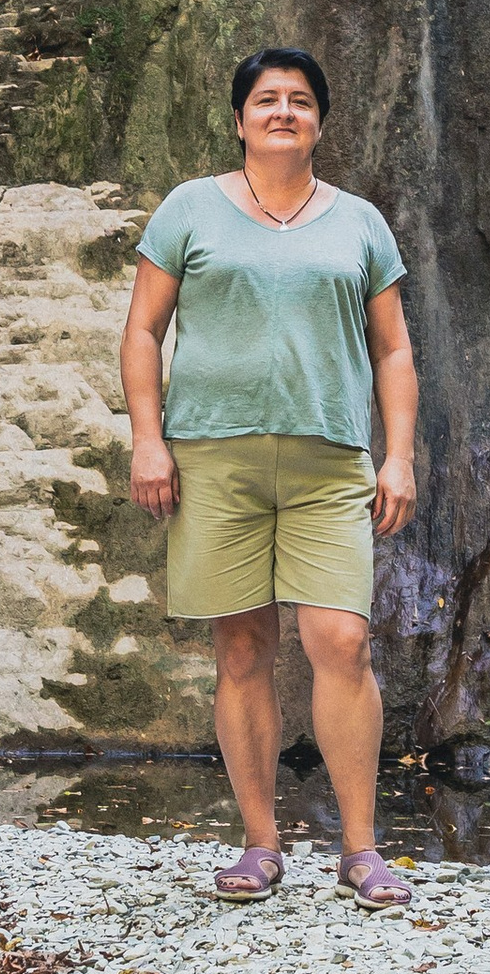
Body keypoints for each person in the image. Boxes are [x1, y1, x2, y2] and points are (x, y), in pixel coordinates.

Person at [120, 47, 419, 911]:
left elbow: (393, 349)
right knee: (244, 648)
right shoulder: (190, 208)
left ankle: (361, 850)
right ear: (239, 119)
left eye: (299, 101)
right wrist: (148, 441)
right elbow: (142, 331)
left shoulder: (360, 222)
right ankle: (261, 845)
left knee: (342, 641)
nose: (283, 112)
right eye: (266, 100)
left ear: (319, 121)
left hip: (330, 460)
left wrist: (398, 456)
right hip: (215, 458)